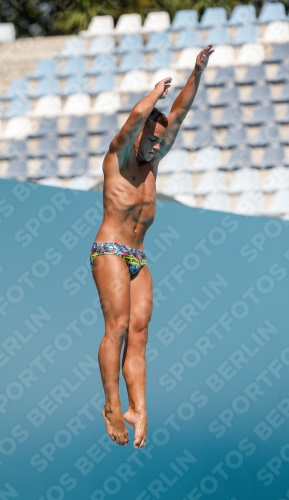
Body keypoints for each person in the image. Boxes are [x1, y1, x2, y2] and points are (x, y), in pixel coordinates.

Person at [90, 44, 214, 448]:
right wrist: (152, 97)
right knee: (120, 327)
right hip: (109, 249)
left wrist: (197, 71)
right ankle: (111, 405)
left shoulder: (154, 160)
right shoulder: (118, 159)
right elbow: (130, 125)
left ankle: (138, 408)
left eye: (161, 142)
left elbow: (178, 115)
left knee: (140, 334)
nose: (158, 147)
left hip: (138, 256)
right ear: (140, 136)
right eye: (152, 141)